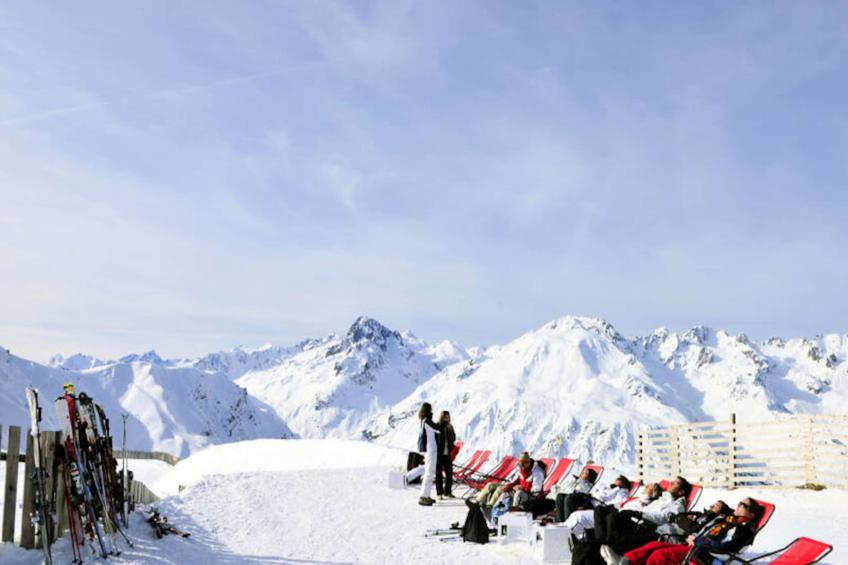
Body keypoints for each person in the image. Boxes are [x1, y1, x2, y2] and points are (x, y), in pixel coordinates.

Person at [606, 498, 762, 565]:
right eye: (739, 502)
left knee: (659, 556)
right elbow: (706, 533)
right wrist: (694, 537)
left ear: (751, 514)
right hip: (696, 548)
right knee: (654, 545)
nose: (738, 505)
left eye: (743, 504)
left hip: (706, 556)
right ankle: (624, 561)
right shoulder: (727, 521)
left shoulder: (744, 529)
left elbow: (727, 548)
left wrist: (698, 541)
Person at [472, 452, 545, 509]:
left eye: (523, 464)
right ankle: (478, 502)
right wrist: (508, 486)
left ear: (528, 463)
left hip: (527, 494)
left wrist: (522, 488)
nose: (521, 466)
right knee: (490, 485)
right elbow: (515, 481)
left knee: (500, 490)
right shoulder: (522, 470)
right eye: (520, 463)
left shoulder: (537, 472)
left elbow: (536, 490)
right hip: (517, 489)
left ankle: (490, 506)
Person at [416, 402, 440, 506]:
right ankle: (423, 497)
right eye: (431, 409)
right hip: (431, 450)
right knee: (429, 473)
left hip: (429, 450)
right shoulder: (427, 421)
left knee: (429, 472)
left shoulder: (423, 420)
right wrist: (441, 420)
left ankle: (426, 495)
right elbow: (437, 429)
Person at [434, 411, 457, 500]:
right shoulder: (437, 426)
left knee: (449, 473)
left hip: (447, 453)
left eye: (448, 416)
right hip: (439, 454)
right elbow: (435, 439)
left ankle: (448, 492)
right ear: (442, 417)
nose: (447, 418)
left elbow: (454, 438)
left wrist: (450, 429)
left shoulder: (450, 426)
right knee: (438, 474)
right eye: (445, 416)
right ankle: (439, 493)